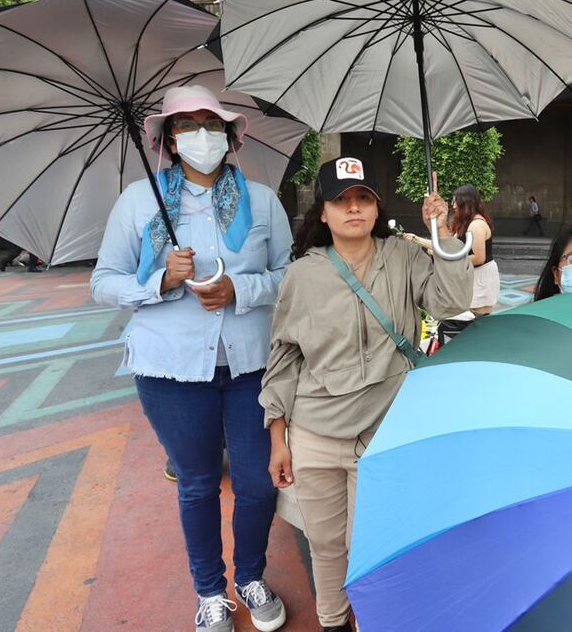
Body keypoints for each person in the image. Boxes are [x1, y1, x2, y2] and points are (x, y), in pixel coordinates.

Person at [90, 85, 291, 632]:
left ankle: (250, 575)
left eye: (210, 123)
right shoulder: (139, 201)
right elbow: (102, 283)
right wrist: (159, 280)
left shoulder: (264, 200)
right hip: (170, 370)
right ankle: (210, 591)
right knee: (199, 484)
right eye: (185, 125)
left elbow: (289, 277)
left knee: (256, 483)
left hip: (251, 366)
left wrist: (239, 291)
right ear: (169, 140)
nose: (200, 134)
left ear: (230, 136)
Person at [261, 158, 472, 632]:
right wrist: (279, 439)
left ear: (376, 209)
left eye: (362, 199)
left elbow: (450, 301)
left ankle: (378, 621)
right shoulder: (302, 275)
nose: (353, 208)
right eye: (341, 201)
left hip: (383, 430)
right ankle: (333, 621)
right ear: (324, 213)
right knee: (326, 543)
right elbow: (284, 360)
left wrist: (443, 235)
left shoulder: (404, 257)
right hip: (315, 435)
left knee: (376, 542)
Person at [405, 183, 499, 344]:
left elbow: (478, 257)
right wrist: (417, 240)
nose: (453, 206)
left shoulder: (476, 225)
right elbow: (446, 247)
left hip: (479, 277)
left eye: (456, 202)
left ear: (466, 203)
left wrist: (450, 260)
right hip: (467, 274)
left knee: (477, 321)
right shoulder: (464, 224)